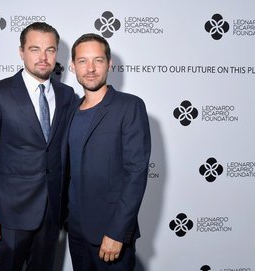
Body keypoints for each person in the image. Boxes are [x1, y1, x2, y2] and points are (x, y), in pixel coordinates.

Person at [0, 22, 75, 271]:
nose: (43, 57)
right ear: (21, 52)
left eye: (50, 50)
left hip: (52, 212)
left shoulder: (67, 95)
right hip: (11, 213)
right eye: (35, 49)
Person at [64, 33, 151, 270]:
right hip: (76, 232)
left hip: (110, 235)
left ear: (109, 64)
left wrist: (118, 232)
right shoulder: (69, 109)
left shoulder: (129, 106)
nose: (90, 68)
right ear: (73, 66)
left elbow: (136, 173)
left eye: (98, 60)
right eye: (82, 61)